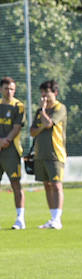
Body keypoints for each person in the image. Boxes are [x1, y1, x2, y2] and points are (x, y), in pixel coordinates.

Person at [29, 80, 64, 230]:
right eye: (42, 92)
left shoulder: (60, 108)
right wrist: (42, 120)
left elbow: (49, 124)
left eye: (47, 92)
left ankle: (58, 219)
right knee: (47, 185)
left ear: (55, 92)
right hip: (40, 154)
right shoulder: (39, 111)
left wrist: (43, 113)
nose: (44, 96)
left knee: (56, 185)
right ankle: (52, 218)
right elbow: (32, 132)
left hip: (55, 153)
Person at [0, 76, 24, 229]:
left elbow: (17, 127)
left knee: (15, 184)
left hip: (11, 150)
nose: (9, 91)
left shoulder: (18, 106)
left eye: (12, 89)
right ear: (1, 89)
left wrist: (5, 140)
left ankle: (20, 219)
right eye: (6, 88)